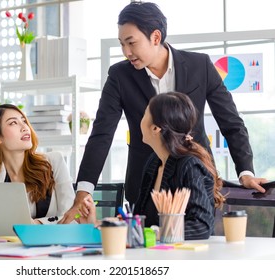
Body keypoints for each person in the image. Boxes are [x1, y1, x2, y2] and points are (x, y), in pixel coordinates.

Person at [60, 1, 267, 224]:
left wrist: (245, 172)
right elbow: (102, 133)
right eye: (122, 44)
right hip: (145, 184)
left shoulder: (200, 66)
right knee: (144, 247)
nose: (126, 52)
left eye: (131, 43)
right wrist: (83, 191)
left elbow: (231, 122)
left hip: (197, 179)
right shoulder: (119, 75)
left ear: (156, 37)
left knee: (200, 243)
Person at [0, 104, 95, 224]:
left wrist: (36, 224)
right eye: (13, 123)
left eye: (24, 121)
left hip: (54, 241)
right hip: (6, 242)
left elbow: (71, 218)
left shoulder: (54, 162)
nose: (24, 127)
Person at [135, 92, 225, 239]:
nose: (141, 120)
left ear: (155, 128)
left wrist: (158, 233)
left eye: (145, 114)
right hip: (155, 254)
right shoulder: (153, 162)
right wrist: (109, 225)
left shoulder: (189, 166)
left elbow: (201, 225)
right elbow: (139, 219)